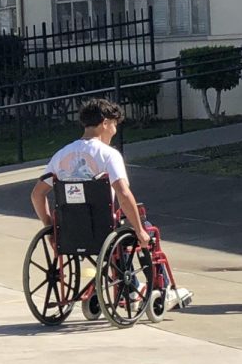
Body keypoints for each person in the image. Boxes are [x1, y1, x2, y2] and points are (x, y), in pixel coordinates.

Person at [30, 98, 191, 309]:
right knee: (146, 230)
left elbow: (36, 195)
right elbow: (123, 193)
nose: (115, 130)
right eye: (114, 124)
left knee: (120, 231)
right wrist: (139, 229)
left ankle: (130, 285)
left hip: (71, 231)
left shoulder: (61, 156)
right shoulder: (108, 155)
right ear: (105, 123)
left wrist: (50, 228)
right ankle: (161, 289)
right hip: (104, 228)